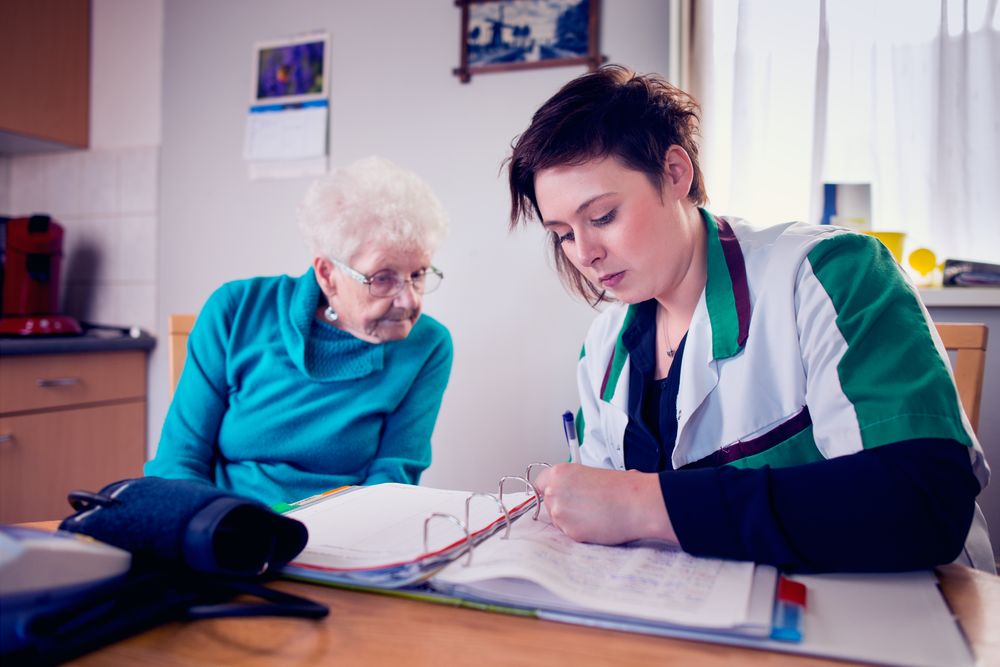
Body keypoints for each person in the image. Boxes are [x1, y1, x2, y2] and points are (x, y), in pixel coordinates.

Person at [507, 65, 994, 573]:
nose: (584, 253)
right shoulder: (604, 347)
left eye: (603, 217)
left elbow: (922, 503)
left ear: (675, 173)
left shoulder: (829, 274)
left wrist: (641, 502)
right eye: (562, 233)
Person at [146, 156, 453, 506]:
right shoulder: (236, 309)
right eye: (383, 278)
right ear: (326, 274)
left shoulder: (428, 345)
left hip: (345, 535)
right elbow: (178, 462)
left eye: (418, 274)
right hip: (222, 526)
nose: (408, 301)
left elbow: (391, 481)